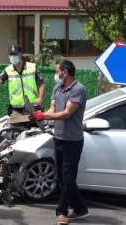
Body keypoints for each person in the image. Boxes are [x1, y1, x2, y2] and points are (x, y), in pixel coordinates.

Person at [31, 60, 89, 225]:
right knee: (63, 177)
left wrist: (45, 117)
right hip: (59, 137)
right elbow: (53, 110)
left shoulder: (78, 89)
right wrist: (40, 115)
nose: (56, 74)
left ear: (65, 72)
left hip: (73, 140)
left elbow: (66, 113)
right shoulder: (57, 88)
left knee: (69, 177)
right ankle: (80, 208)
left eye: (57, 71)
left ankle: (61, 211)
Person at [0, 45, 45, 115]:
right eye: (11, 54)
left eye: (15, 54)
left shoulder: (32, 67)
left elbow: (41, 83)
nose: (13, 56)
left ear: (21, 54)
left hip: (33, 106)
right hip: (16, 108)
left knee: (35, 125)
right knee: (16, 126)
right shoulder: (8, 70)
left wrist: (41, 98)